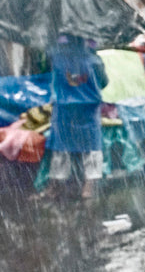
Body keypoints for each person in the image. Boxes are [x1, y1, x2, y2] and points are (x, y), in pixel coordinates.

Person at [40, 34, 109, 199]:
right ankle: (88, 187)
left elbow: (45, 70)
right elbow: (104, 82)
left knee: (61, 149)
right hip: (88, 109)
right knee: (91, 148)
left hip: (65, 109)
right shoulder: (94, 59)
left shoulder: (56, 56)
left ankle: (54, 186)